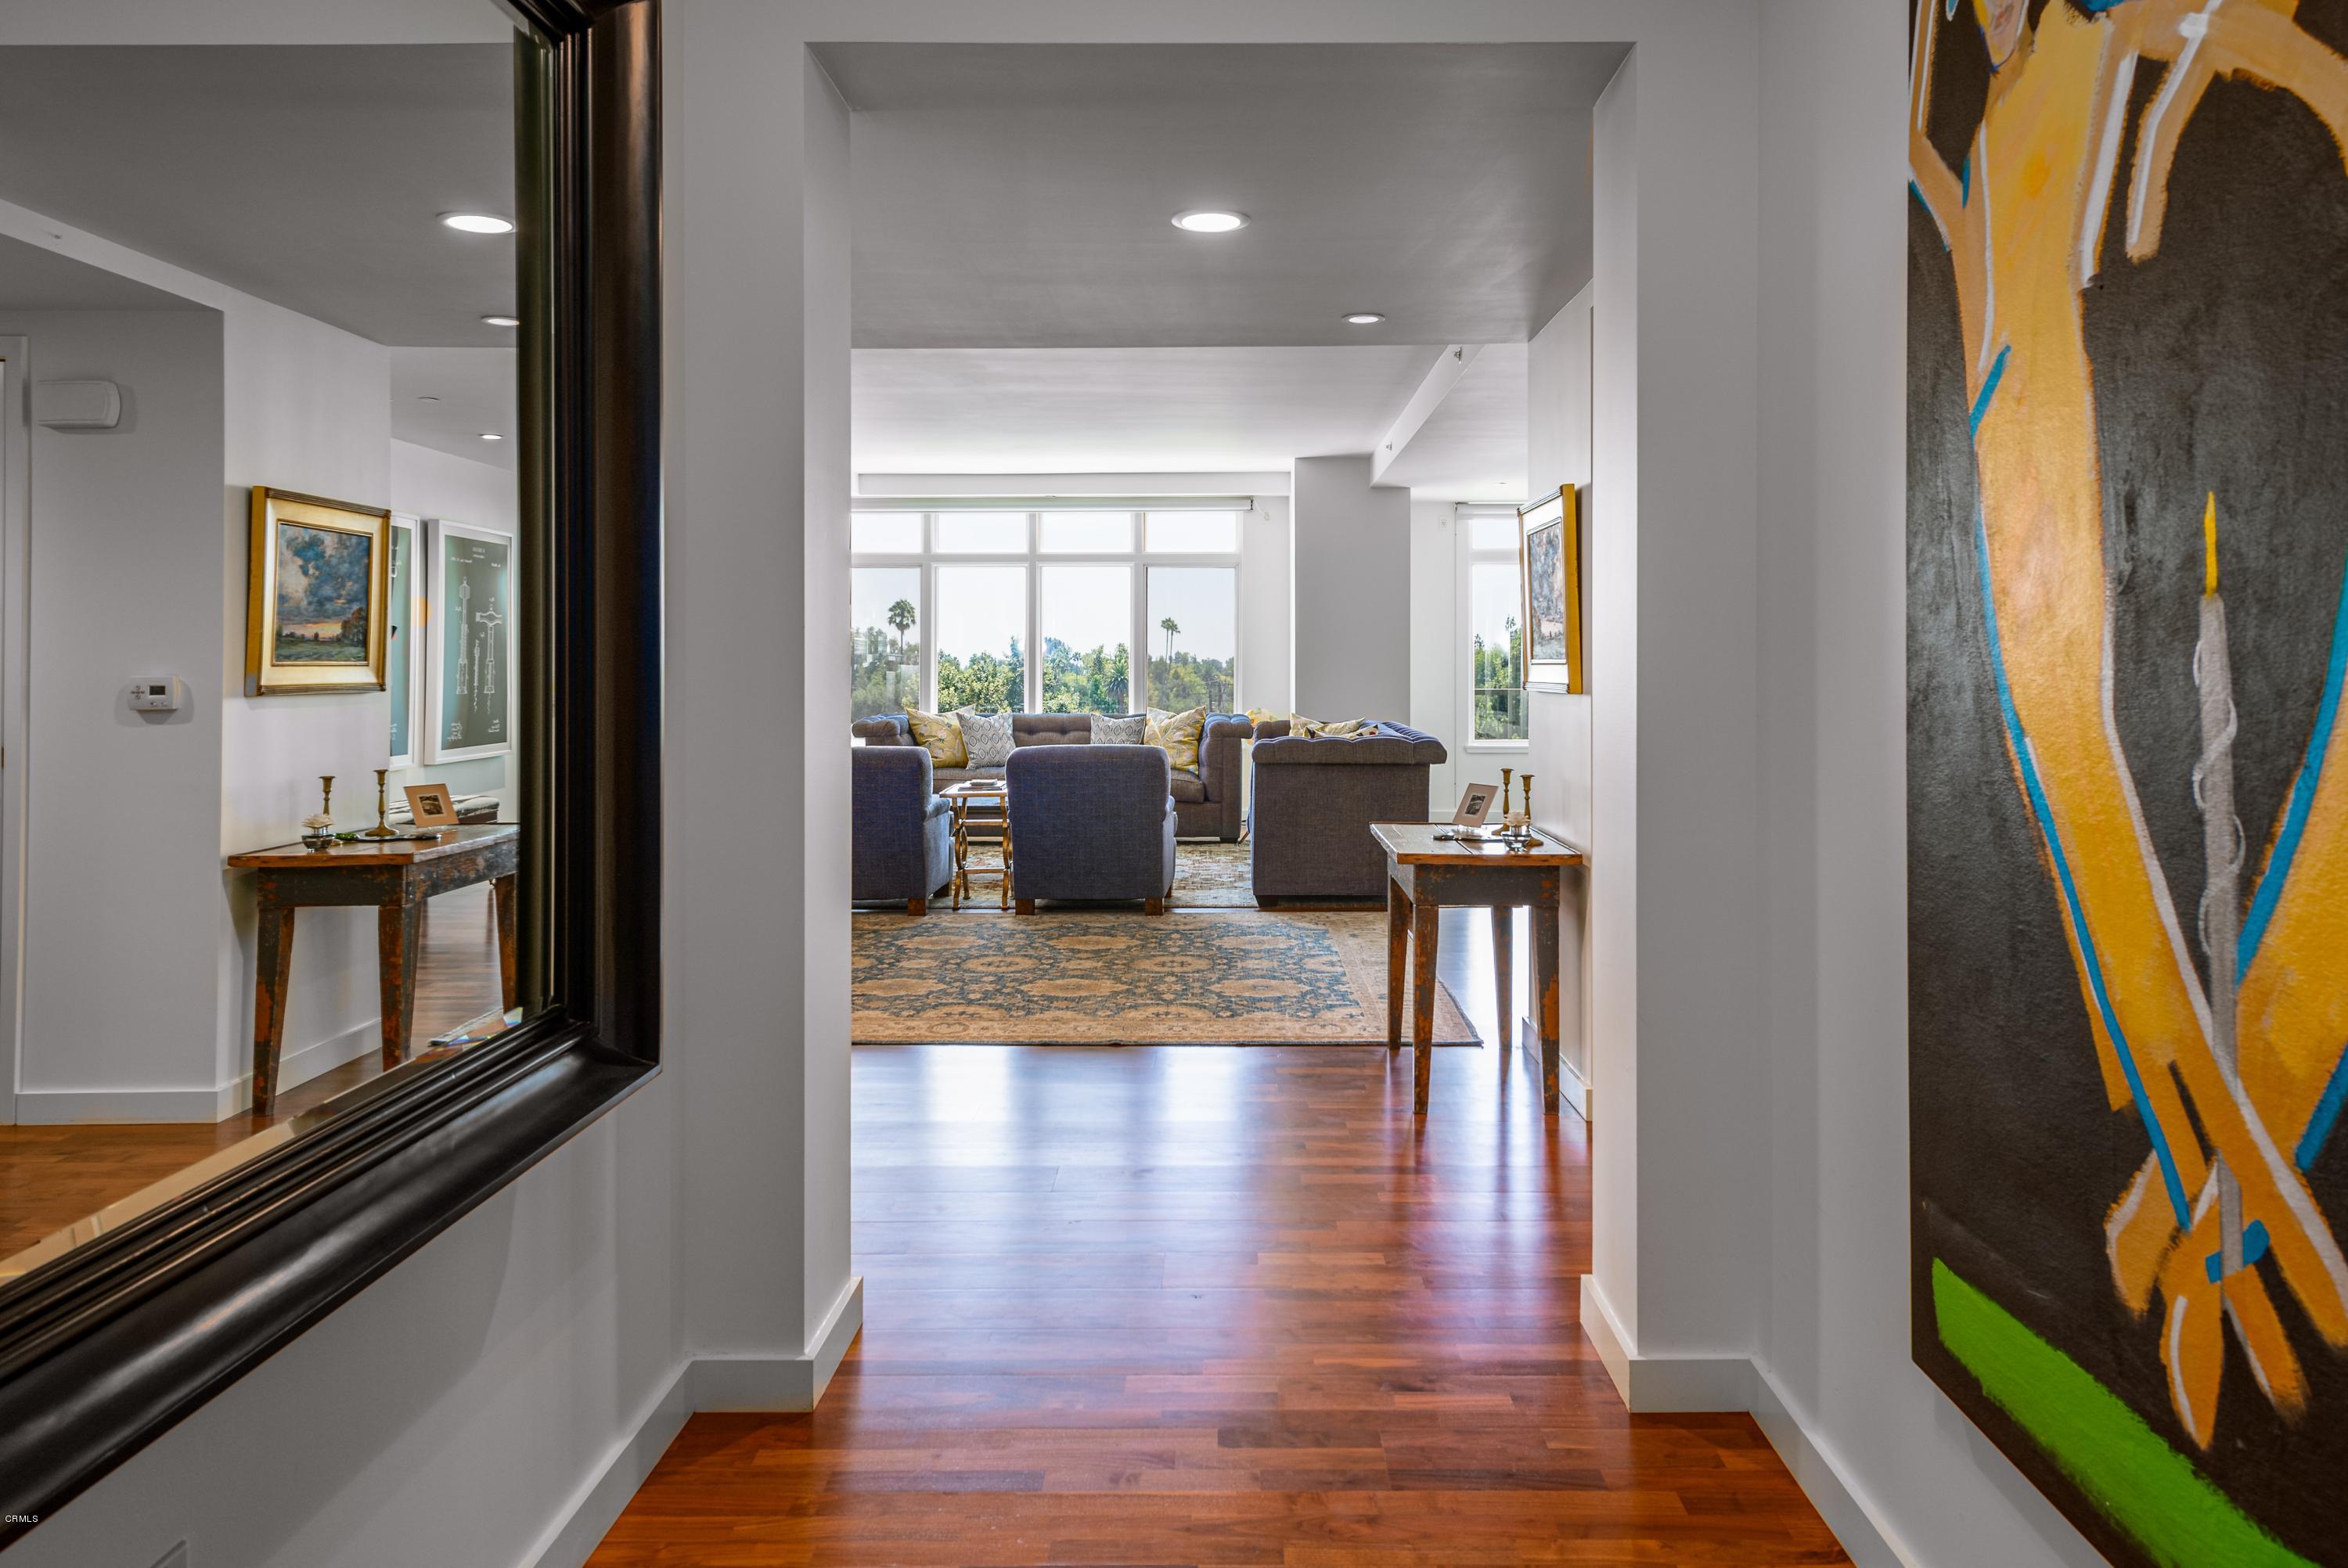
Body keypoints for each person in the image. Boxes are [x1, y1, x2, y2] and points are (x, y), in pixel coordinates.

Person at [1912, 0, 2348, 1443]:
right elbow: (2060, 724)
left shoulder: (2051, 112)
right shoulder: (2016, 124)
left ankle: (2214, 1190)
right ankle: (2225, 1179)